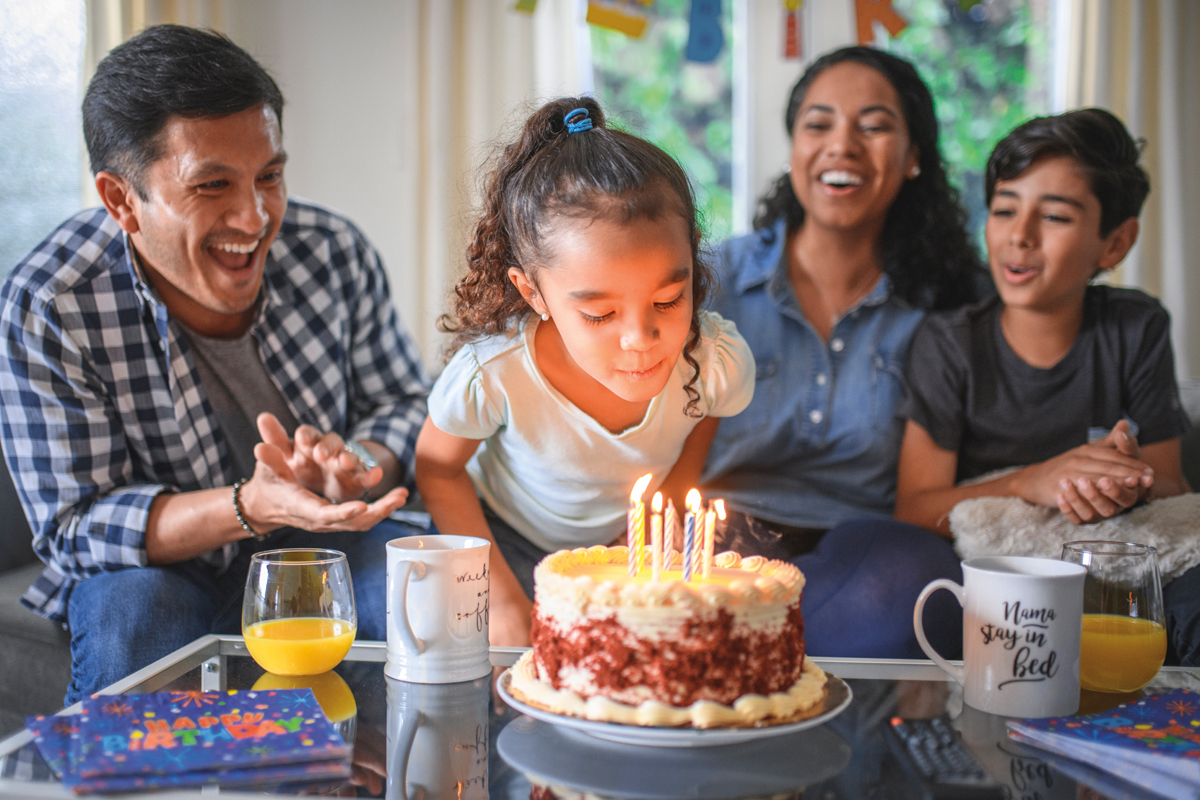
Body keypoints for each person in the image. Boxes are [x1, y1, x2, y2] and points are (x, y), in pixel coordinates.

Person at [0, 25, 430, 703]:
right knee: (133, 618)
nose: (256, 216)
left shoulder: (334, 251)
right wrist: (248, 506)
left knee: (415, 594)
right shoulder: (51, 303)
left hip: (321, 545)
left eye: (270, 175)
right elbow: (74, 527)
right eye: (212, 186)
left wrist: (355, 464)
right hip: (157, 567)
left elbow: (407, 403)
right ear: (120, 200)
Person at [415, 98, 754, 647]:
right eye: (599, 314)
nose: (641, 340)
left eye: (669, 300)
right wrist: (496, 595)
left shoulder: (713, 363)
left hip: (624, 546)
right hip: (501, 543)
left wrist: (663, 512)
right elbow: (437, 468)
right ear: (534, 293)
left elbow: (703, 416)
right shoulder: (493, 374)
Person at [700, 47, 984, 658]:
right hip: (723, 532)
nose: (842, 145)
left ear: (912, 159)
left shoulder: (951, 304)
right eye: (818, 124)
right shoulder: (711, 281)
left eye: (874, 126)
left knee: (920, 590)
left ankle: (761, 663)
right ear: (795, 148)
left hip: (870, 546)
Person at [893, 109, 1198, 663]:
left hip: (1109, 565)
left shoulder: (1136, 326)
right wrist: (1034, 480)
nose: (1020, 236)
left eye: (1054, 217)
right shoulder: (950, 343)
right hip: (997, 572)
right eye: (1005, 210)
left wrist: (1125, 481)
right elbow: (914, 507)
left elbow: (1170, 486)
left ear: (1115, 243)